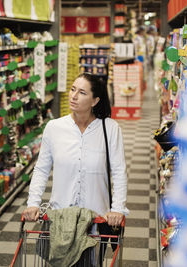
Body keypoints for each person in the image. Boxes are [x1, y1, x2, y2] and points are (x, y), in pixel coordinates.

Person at [22, 73, 129, 264]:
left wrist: (118, 209)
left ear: (95, 100)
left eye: (81, 92)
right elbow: (41, 169)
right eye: (72, 90)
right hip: (60, 220)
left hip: (95, 220)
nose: (73, 96)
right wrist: (33, 203)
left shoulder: (110, 129)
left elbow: (119, 172)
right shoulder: (54, 128)